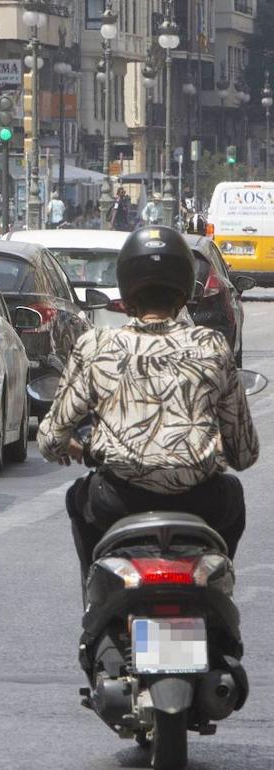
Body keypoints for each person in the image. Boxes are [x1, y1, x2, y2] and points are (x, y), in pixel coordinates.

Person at [37, 226, 258, 582]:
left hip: (117, 500)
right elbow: (245, 453)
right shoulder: (212, 346)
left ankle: (97, 598)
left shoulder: (98, 347)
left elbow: (50, 439)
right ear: (185, 289)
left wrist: (74, 446)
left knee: (77, 498)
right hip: (202, 499)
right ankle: (216, 584)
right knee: (233, 492)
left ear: (126, 291)